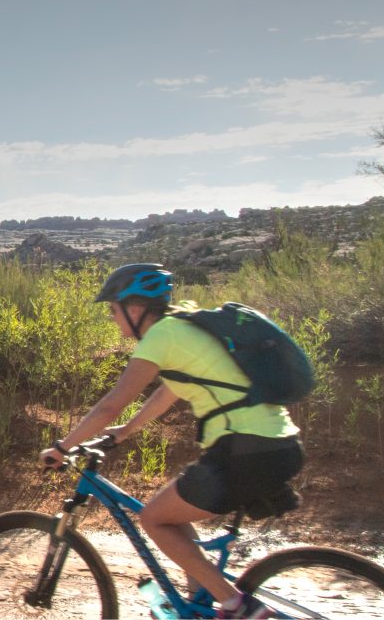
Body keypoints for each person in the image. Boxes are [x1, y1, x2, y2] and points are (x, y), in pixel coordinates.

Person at [39, 264, 302, 619]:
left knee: (154, 519)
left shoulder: (161, 336)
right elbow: (169, 391)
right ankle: (199, 604)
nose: (113, 319)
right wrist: (127, 430)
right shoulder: (185, 326)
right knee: (173, 514)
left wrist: (63, 446)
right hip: (277, 446)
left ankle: (238, 605)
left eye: (114, 311)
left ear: (135, 309)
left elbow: (110, 404)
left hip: (244, 450)